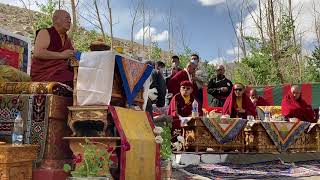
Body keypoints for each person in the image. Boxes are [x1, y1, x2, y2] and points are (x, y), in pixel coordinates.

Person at [31, 10, 75, 86]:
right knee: (76, 78)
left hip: (62, 71)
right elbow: (38, 53)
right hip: (45, 74)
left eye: (70, 20)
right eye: (67, 18)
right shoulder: (45, 32)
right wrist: (61, 55)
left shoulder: (67, 40)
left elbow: (70, 57)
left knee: (83, 75)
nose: (69, 21)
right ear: (56, 20)